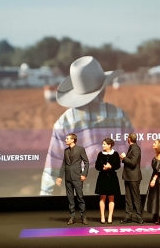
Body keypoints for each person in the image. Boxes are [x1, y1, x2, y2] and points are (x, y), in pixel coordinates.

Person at [40, 56, 134, 196]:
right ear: (103, 89)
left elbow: (53, 166)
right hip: (117, 183)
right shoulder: (119, 115)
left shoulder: (64, 121)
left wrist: (45, 195)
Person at [55, 133, 89, 225]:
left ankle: (83, 217)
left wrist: (84, 174)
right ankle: (72, 217)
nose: (65, 140)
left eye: (67, 139)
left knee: (80, 197)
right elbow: (64, 164)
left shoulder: (80, 149)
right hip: (68, 177)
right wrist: (60, 177)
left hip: (77, 177)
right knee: (70, 199)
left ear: (73, 140)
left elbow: (86, 162)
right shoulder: (66, 150)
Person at [94, 137, 121, 224]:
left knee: (111, 198)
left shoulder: (115, 154)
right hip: (103, 176)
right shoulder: (100, 154)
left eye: (104, 144)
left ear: (109, 145)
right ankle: (102, 216)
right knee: (102, 197)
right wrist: (103, 167)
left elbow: (118, 165)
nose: (103, 145)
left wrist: (111, 167)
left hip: (112, 177)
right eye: (103, 144)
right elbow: (97, 166)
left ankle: (110, 216)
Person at [119, 133, 143, 224]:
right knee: (128, 198)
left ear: (129, 139)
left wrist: (124, 158)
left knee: (136, 198)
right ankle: (128, 216)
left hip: (134, 177)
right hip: (128, 176)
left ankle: (139, 217)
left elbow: (133, 163)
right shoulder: (132, 147)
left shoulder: (136, 148)